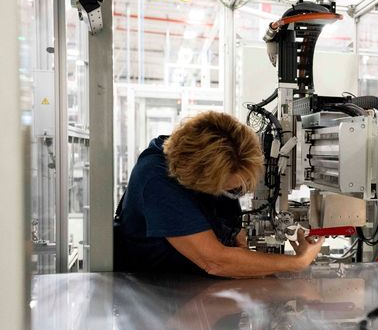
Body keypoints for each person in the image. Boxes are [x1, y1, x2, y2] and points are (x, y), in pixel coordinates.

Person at [114, 111, 322, 277]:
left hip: (192, 287)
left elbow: (226, 217)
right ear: (199, 179)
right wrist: (298, 262)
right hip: (154, 292)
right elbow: (215, 261)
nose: (232, 193)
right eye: (227, 187)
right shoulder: (156, 181)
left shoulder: (212, 150)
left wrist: (239, 241)